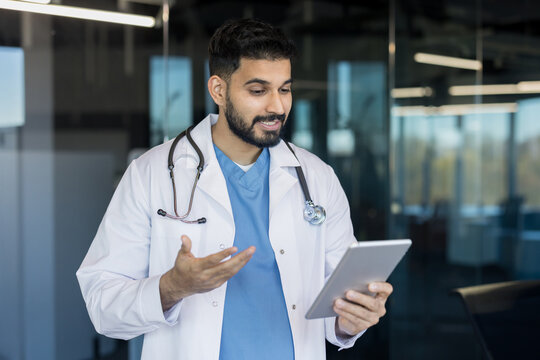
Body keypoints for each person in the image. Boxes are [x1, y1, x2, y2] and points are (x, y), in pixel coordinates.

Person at [77, 18, 393, 360]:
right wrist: (172, 287)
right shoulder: (151, 174)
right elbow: (102, 305)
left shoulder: (316, 177)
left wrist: (352, 320)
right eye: (258, 91)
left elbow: (337, 304)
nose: (277, 106)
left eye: (284, 89)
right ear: (219, 90)